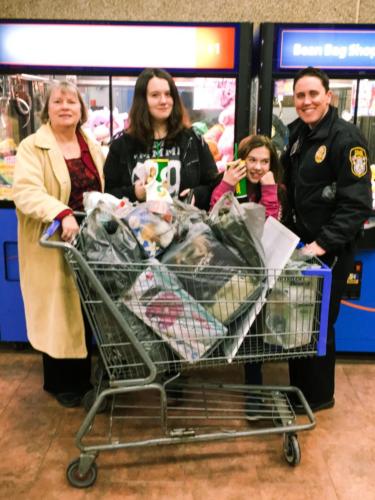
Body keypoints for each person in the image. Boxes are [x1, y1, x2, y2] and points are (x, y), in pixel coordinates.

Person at [281, 66, 372, 412]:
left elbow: (356, 203)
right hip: (304, 247)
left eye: (313, 94)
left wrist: (322, 244)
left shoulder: (346, 140)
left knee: (318, 323)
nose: (306, 101)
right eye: (300, 95)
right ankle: (299, 389)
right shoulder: (301, 135)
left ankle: (318, 397)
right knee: (299, 319)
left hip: (329, 250)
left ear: (328, 96)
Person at [12, 81, 105, 407]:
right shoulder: (32, 147)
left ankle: (83, 377)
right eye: (58, 101)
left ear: (81, 109)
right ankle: (62, 383)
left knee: (83, 309)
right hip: (53, 242)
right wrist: (62, 212)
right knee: (58, 311)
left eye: (72, 102)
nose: (65, 107)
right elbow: (25, 192)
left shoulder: (90, 144)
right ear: (46, 109)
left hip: (88, 242)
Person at [210, 134, 283, 419]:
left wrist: (269, 190)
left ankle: (254, 391)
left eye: (265, 161)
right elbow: (215, 213)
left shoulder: (274, 188)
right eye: (252, 160)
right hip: (226, 266)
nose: (258, 167)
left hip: (257, 271)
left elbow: (271, 225)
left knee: (254, 330)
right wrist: (227, 182)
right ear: (241, 160)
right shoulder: (230, 181)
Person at [104, 68, 219, 210]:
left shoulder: (193, 139)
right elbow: (107, 194)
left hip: (185, 228)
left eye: (168, 94)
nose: (163, 101)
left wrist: (197, 195)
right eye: (155, 95)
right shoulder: (122, 145)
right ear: (143, 100)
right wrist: (135, 193)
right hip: (136, 229)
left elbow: (214, 185)